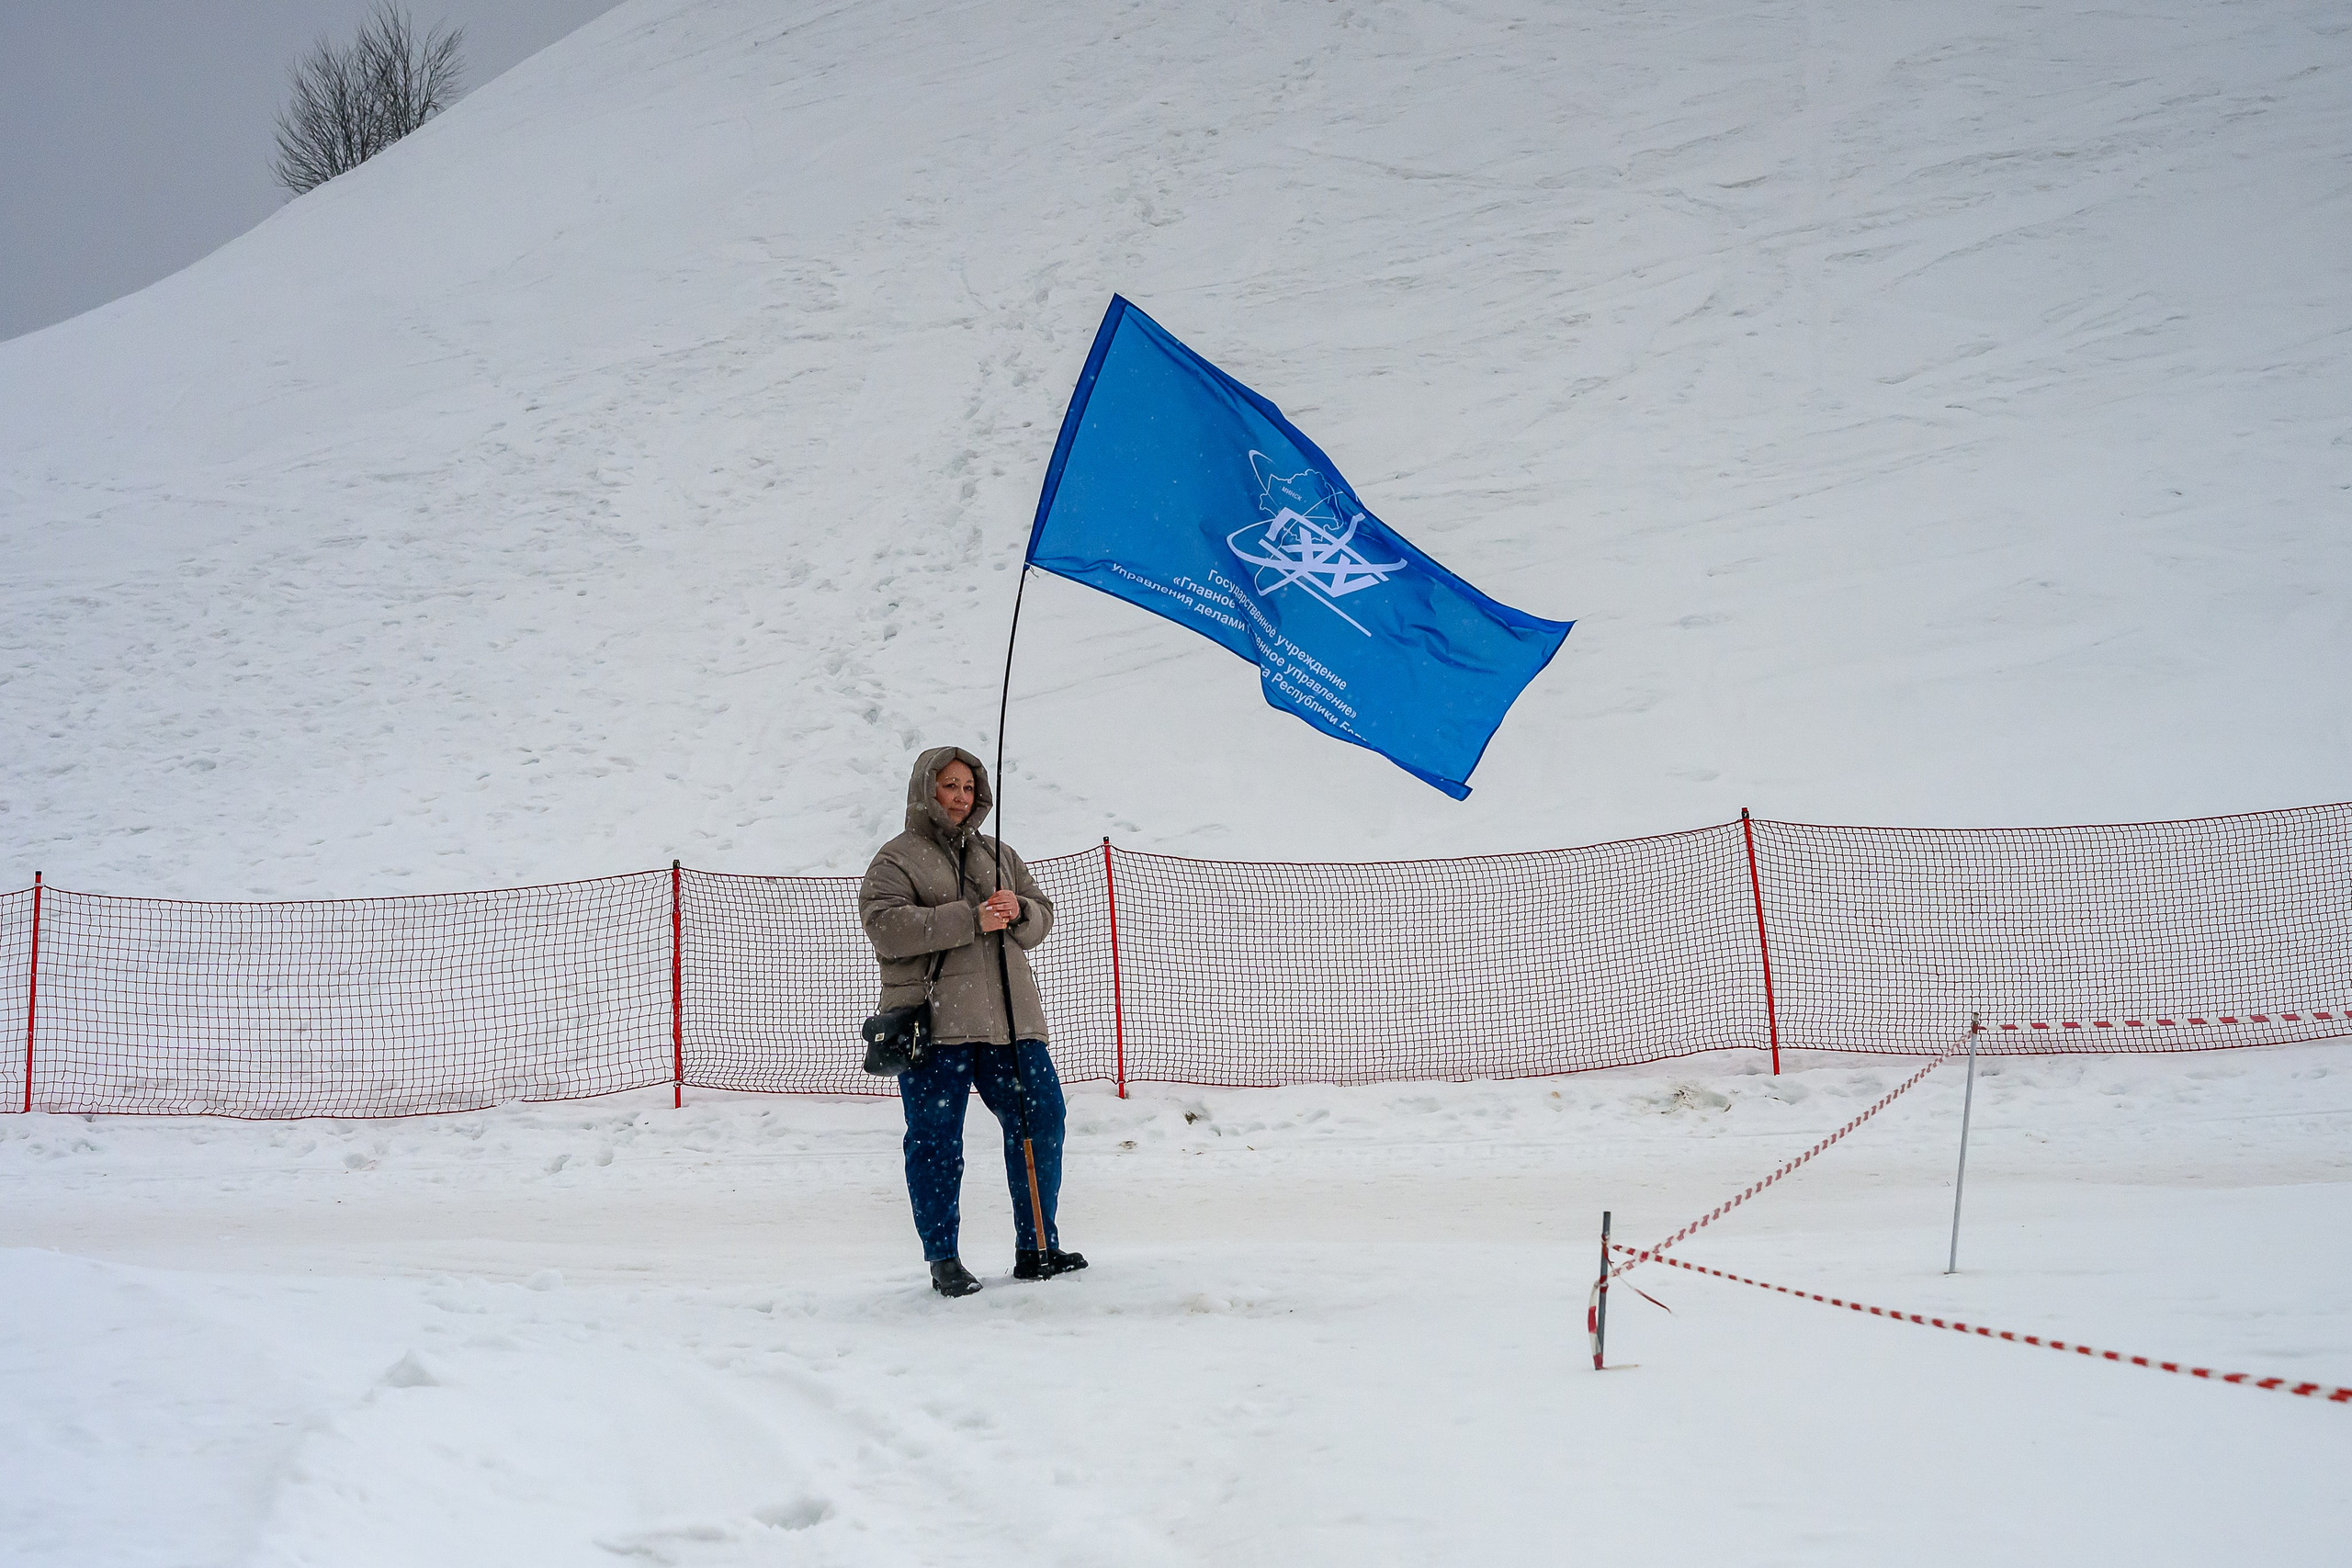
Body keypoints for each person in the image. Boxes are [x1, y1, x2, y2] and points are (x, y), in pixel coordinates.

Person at [858, 746, 1088, 1298]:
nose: (961, 797)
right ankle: (943, 1258)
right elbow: (886, 927)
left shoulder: (1000, 853)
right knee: (936, 1141)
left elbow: (1040, 916)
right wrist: (970, 918)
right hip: (938, 1026)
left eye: (968, 787)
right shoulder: (897, 859)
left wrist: (1022, 912)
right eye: (949, 786)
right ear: (926, 790)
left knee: (1041, 1121)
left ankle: (1037, 1247)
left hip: (1012, 1021)